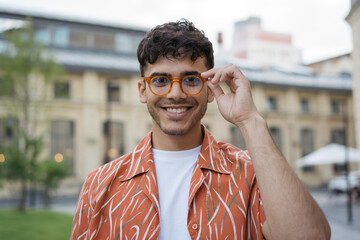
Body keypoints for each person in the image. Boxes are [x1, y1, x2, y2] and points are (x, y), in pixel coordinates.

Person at [71, 19, 331, 240]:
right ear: (143, 91)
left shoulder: (252, 174)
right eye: (160, 80)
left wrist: (250, 120)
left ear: (209, 90)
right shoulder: (100, 184)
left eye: (191, 80)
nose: (176, 93)